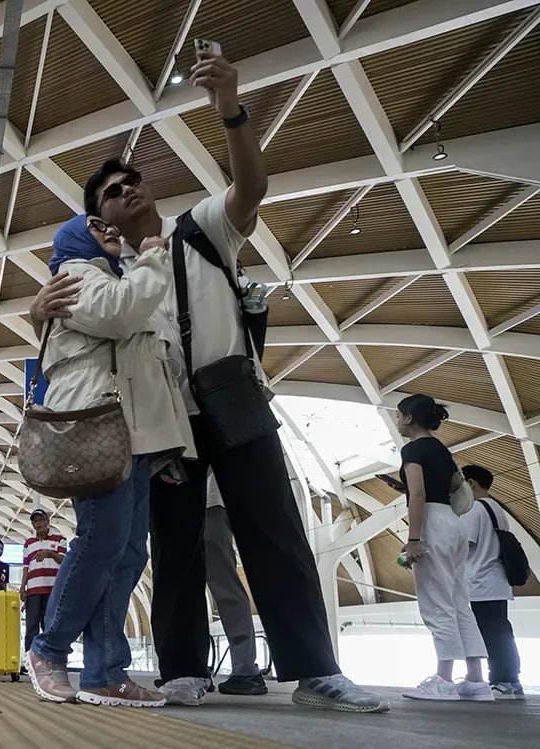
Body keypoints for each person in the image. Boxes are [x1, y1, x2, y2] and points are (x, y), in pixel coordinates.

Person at [31, 47, 386, 713]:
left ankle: (315, 670)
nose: (130, 187)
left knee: (274, 529)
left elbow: (251, 189)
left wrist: (230, 112)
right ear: (99, 222)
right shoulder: (104, 272)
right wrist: (36, 310)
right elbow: (85, 331)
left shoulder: (198, 229)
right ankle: (184, 668)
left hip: (232, 394)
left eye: (134, 179)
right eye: (113, 190)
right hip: (166, 423)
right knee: (174, 542)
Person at [23, 209, 195, 710]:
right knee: (100, 543)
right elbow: (120, 313)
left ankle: (105, 672)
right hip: (96, 423)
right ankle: (48, 649)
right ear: (76, 238)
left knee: (127, 554)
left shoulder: (114, 275)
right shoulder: (77, 273)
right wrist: (154, 255)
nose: (109, 230)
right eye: (97, 225)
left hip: (131, 432)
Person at [396, 395, 491, 702]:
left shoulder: (412, 449)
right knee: (459, 600)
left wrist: (413, 538)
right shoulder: (441, 449)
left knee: (437, 602)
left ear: (409, 418)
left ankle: (443, 680)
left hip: (432, 524)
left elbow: (419, 494)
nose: (397, 421)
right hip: (453, 522)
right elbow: (451, 487)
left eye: (398, 416)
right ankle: (476, 680)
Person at [461, 464, 524, 700]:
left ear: (470, 483)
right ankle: (511, 680)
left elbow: (464, 545)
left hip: (481, 581)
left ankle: (501, 680)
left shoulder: (475, 509)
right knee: (501, 631)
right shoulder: (496, 508)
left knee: (489, 634)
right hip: (497, 580)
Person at [203, 470, 266, 695]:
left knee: (223, 587)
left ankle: (244, 669)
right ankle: (244, 668)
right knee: (224, 586)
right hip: (209, 503)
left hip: (208, 504)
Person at [21, 510, 66, 655]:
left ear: (47, 521)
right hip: (33, 591)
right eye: (35, 521)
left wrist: (50, 553)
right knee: (31, 626)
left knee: (50, 626)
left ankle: (49, 658)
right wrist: (23, 588)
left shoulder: (60, 539)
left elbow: (64, 560)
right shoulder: (28, 543)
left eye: (41, 519)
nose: (38, 523)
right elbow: (26, 568)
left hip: (53, 590)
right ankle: (30, 659)